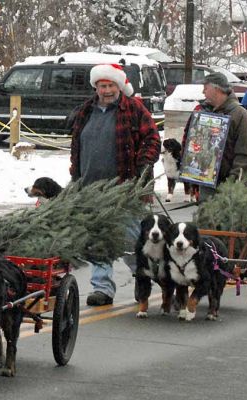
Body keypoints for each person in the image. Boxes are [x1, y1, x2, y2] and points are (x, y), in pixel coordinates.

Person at [69, 63, 161, 306]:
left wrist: (144, 164)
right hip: (91, 188)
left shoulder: (133, 109)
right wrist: (74, 178)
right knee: (98, 239)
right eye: (102, 86)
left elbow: (152, 139)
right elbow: (76, 148)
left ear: (118, 86)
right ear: (95, 87)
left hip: (126, 187)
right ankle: (102, 288)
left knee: (132, 238)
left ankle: (143, 274)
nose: (106, 90)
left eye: (110, 85)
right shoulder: (85, 111)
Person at [194, 72, 247, 199]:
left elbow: (246, 155)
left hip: (229, 190)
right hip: (207, 185)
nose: (203, 92)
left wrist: (232, 184)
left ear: (217, 89)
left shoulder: (240, 115)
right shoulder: (204, 112)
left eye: (206, 88)